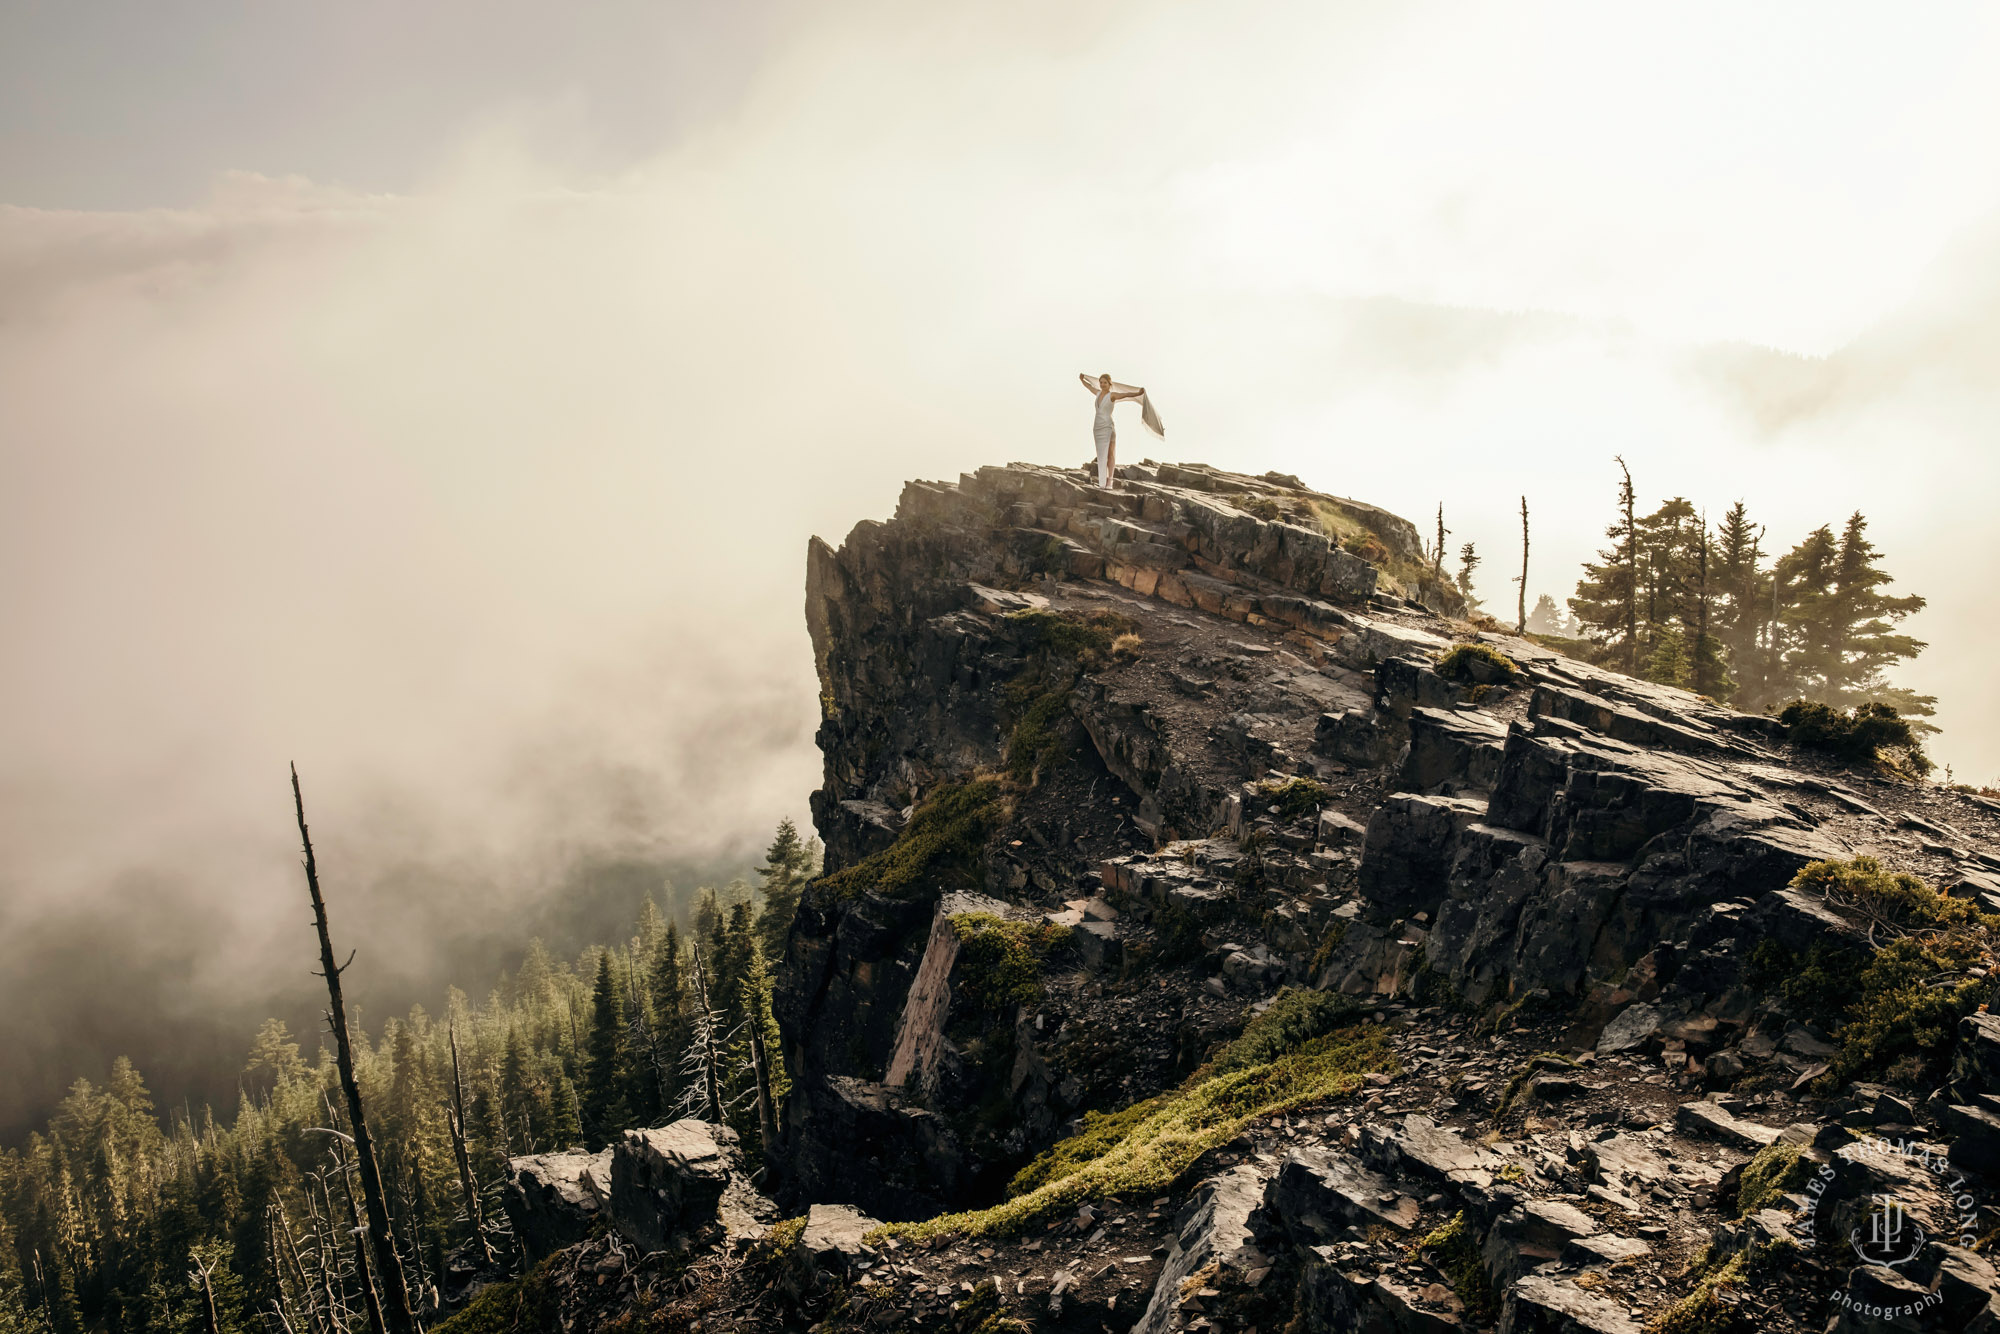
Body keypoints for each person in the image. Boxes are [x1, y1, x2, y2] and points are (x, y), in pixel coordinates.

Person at [1077, 372, 1164, 488]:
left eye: (1105, 383)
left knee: (1110, 453)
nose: (1102, 384)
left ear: (1109, 384)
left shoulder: (1112, 395)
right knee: (1101, 454)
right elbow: (1089, 387)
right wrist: (1082, 380)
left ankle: (1110, 481)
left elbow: (1126, 394)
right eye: (1101, 382)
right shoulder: (1097, 393)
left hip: (1108, 427)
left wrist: (1137, 393)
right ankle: (1102, 482)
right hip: (1097, 428)